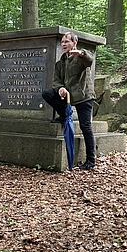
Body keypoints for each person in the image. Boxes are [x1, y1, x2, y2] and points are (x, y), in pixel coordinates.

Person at [42, 32, 96, 170]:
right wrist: (60, 88)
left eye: (67, 41)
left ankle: (91, 160)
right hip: (68, 97)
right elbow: (56, 80)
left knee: (86, 127)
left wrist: (81, 53)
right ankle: (65, 115)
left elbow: (90, 60)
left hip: (84, 97)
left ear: (74, 43)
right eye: (62, 42)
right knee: (47, 94)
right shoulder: (60, 63)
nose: (64, 44)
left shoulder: (80, 58)